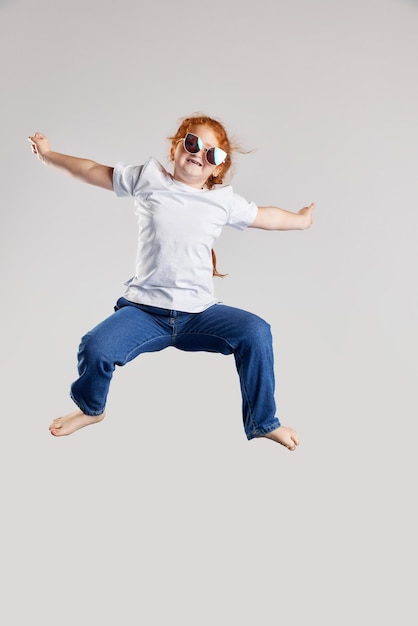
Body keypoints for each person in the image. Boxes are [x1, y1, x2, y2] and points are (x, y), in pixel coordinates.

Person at [28, 114, 315, 451]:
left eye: (212, 153)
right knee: (95, 347)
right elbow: (93, 171)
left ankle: (263, 422)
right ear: (177, 146)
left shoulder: (222, 202)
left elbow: (268, 217)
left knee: (256, 331)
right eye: (192, 143)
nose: (198, 153)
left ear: (218, 168)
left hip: (200, 315)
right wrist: (49, 155)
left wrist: (300, 220)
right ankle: (91, 408)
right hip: (144, 314)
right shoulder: (148, 179)